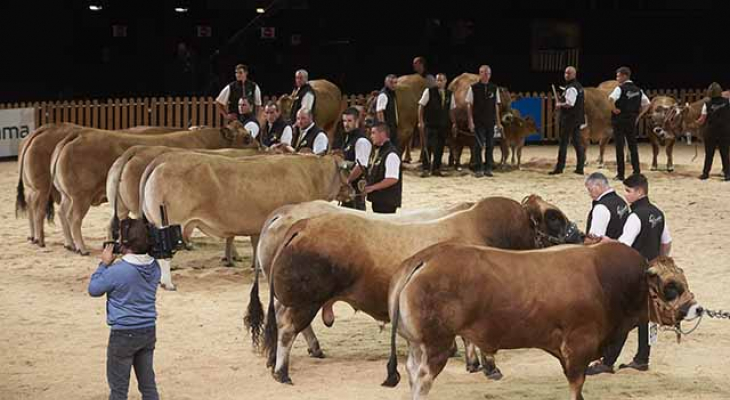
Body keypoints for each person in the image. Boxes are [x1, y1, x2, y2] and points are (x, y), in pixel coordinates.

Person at [587, 173, 672, 375]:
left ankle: (607, 362)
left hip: (634, 273)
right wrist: (658, 261)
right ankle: (642, 358)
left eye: (629, 191)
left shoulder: (635, 216)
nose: (626, 195)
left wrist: (608, 242)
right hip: (652, 269)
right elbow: (666, 242)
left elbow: (624, 246)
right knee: (645, 316)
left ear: (640, 192)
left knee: (623, 318)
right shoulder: (658, 213)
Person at [88, 219, 162, 400]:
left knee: (119, 389)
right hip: (147, 331)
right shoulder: (155, 267)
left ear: (124, 243)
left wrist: (104, 264)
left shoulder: (117, 271)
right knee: (148, 385)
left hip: (123, 334)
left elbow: (94, 289)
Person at [608, 66, 650, 180]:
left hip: (619, 120)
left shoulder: (620, 88)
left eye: (618, 76)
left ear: (624, 76)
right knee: (633, 146)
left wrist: (614, 109)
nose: (617, 78)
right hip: (631, 120)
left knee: (619, 147)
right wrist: (639, 115)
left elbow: (610, 99)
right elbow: (647, 104)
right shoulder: (638, 90)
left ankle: (621, 174)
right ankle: (636, 171)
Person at [466, 65, 503, 177]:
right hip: (478, 121)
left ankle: (488, 168)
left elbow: (496, 106)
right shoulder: (473, 88)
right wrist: (470, 121)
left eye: (487, 73)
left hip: (490, 121)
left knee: (490, 145)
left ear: (490, 75)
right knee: (478, 144)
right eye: (483, 73)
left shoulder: (494, 88)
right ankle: (478, 168)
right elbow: (469, 105)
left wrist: (498, 122)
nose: (485, 75)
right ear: (479, 74)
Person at [418, 73, 456, 177]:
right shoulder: (429, 91)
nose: (440, 82)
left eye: (442, 80)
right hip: (430, 124)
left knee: (440, 147)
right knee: (428, 146)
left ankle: (436, 168)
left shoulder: (449, 94)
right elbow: (421, 106)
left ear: (445, 81)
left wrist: (454, 123)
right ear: (435, 81)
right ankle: (426, 169)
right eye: (438, 80)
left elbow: (451, 110)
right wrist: (420, 121)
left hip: (443, 125)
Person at [550, 66, 586, 175]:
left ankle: (559, 168)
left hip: (569, 119)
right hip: (577, 119)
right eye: (565, 73)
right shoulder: (578, 86)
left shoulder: (572, 88)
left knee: (564, 143)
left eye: (569, 73)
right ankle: (580, 168)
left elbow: (570, 104)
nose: (566, 75)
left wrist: (559, 104)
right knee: (577, 143)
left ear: (574, 74)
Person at [338, 107, 372, 210]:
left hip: (355, 189)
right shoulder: (349, 138)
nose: (346, 124)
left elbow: (361, 166)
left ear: (357, 121)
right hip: (348, 189)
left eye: (349, 121)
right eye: (344, 121)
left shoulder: (361, 141)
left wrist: (346, 181)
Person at [365, 122, 402, 214]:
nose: (371, 136)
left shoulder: (391, 154)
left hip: (386, 201)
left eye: (373, 133)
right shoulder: (379, 152)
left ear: (382, 134)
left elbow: (392, 179)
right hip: (379, 200)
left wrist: (373, 187)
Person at [696, 82, 730, 181]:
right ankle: (727, 174)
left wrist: (694, 123)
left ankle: (705, 174)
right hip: (725, 131)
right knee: (725, 153)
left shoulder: (707, 104)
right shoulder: (728, 102)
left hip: (711, 132)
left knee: (709, 154)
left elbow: (702, 119)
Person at [584, 172, 630, 241]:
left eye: (590, 189)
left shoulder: (601, 208)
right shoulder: (621, 202)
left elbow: (595, 239)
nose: (589, 193)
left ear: (598, 186)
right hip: (623, 248)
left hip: (606, 249)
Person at [376, 74, 400, 151]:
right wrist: (383, 129)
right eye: (391, 83)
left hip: (392, 126)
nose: (394, 85)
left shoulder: (392, 94)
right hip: (387, 127)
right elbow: (380, 112)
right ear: (386, 83)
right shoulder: (384, 94)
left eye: (395, 83)